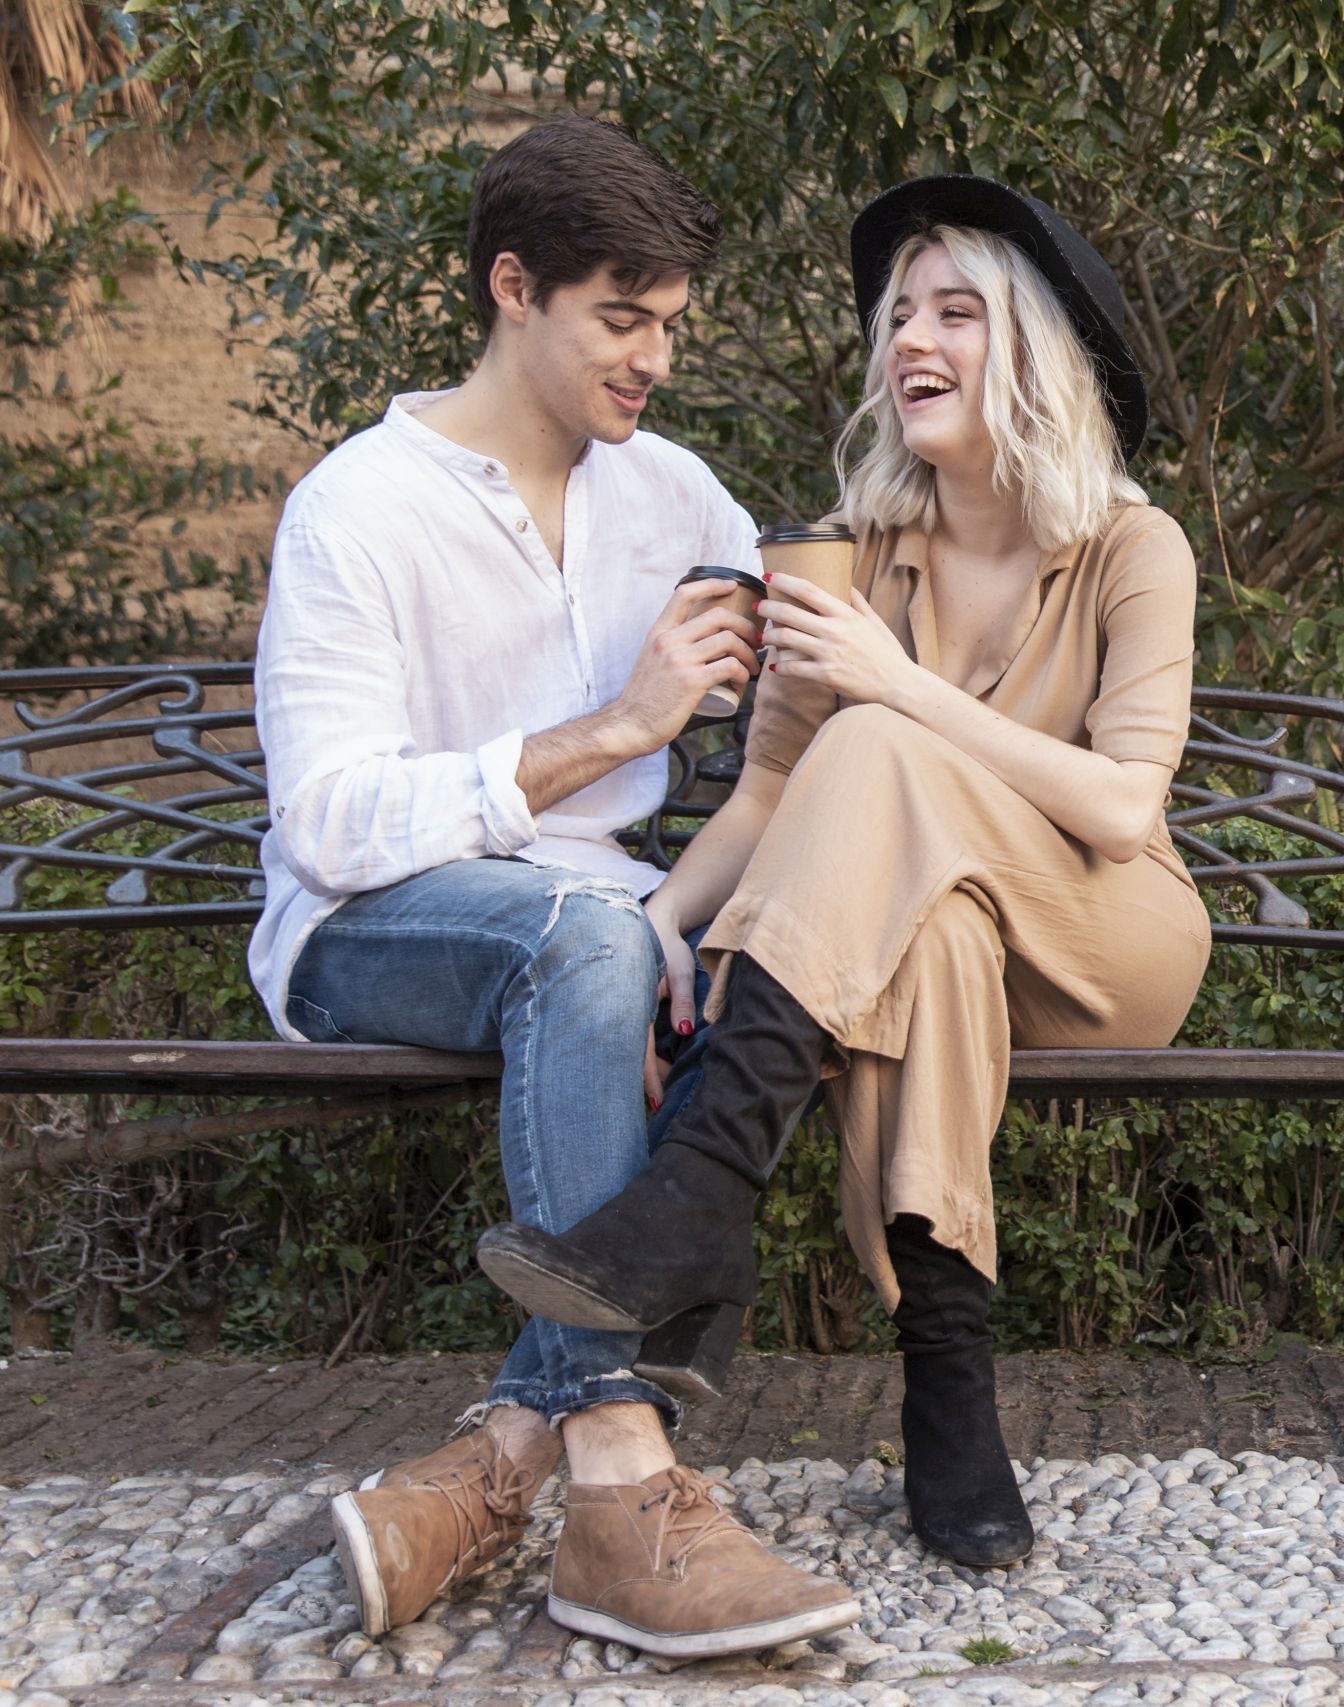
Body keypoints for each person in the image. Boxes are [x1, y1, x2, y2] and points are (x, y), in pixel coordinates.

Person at [476, 176, 1212, 1569]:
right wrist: (655, 923)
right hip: (928, 938)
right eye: (899, 316)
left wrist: (895, 686)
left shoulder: (1135, 546)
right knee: (923, 939)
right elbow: (768, 793)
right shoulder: (858, 553)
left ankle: (703, 1187)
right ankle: (949, 1384)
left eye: (956, 312)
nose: (910, 339)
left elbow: (1123, 810)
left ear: (1036, 349)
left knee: (874, 745)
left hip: (1107, 941)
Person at [254, 117, 859, 1656]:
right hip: (371, 927)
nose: (655, 359)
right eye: (622, 319)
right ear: (513, 288)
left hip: (606, 937)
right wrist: (619, 730)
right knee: (584, 940)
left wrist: (680, 915)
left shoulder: (678, 500)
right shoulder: (358, 508)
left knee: (750, 991)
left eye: (671, 325)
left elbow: (803, 711)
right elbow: (327, 823)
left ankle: (499, 1469)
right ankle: (625, 1487)